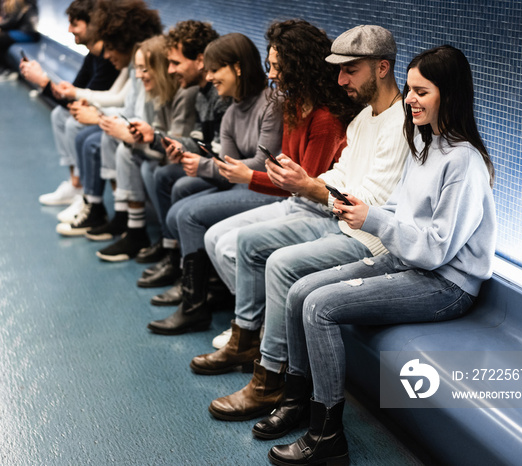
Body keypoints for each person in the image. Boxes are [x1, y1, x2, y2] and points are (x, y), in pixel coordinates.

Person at [268, 44, 497, 466]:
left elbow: (434, 249)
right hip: (406, 261)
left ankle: (327, 436)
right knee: (300, 290)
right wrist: (358, 205)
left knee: (319, 307)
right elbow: (400, 210)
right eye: (409, 89)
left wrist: (373, 220)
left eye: (421, 91)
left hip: (445, 283)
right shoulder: (426, 144)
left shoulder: (464, 161)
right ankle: (297, 398)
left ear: (450, 94)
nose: (409, 99)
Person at [198, 25, 410, 427]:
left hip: (370, 239)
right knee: (246, 243)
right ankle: (253, 350)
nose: (341, 79)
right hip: (339, 221)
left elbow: (372, 201)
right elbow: (344, 173)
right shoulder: (364, 118)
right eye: (338, 70)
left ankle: (270, 378)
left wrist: (311, 186)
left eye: (351, 70)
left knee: (280, 264)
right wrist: (307, 182)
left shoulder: (401, 123)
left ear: (382, 68)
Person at [146, 21, 363, 335]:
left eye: (278, 67)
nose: (272, 74)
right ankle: (247, 319)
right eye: (269, 66)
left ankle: (248, 324)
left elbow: (305, 185)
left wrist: (249, 176)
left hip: (314, 207)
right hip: (293, 199)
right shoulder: (286, 106)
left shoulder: (323, 117)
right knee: (206, 227)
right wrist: (245, 173)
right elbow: (278, 173)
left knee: (206, 224)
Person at [143, 32, 285, 333]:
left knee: (189, 215)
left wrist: (205, 165)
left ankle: (195, 305)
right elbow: (228, 168)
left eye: (214, 70)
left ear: (236, 67)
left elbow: (263, 164)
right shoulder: (232, 112)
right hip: (243, 185)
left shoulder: (272, 103)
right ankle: (206, 291)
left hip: (269, 189)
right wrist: (201, 164)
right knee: (180, 195)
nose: (208, 77)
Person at [127, 20, 227, 275]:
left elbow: (221, 153)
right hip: (215, 166)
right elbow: (199, 141)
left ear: (200, 60)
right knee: (163, 174)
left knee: (171, 179)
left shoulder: (217, 94)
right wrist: (155, 138)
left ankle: (185, 267)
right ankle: (174, 255)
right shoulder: (203, 93)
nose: (170, 70)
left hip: (229, 174)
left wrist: (161, 141)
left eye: (176, 63)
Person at [54, 0, 162, 236]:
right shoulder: (133, 65)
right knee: (91, 136)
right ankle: (103, 208)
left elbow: (140, 116)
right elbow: (123, 102)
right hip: (133, 128)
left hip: (151, 139)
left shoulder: (145, 68)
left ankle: (120, 218)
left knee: (97, 141)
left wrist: (98, 115)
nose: (107, 54)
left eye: (111, 46)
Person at [87, 35, 198, 260]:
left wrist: (130, 136)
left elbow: (175, 149)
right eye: (137, 69)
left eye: (144, 69)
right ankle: (132, 225)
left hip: (188, 162)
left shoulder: (184, 94)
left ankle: (167, 242)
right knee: (123, 149)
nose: (138, 75)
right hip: (169, 154)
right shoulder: (158, 93)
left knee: (149, 167)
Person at [19, 0, 121, 207]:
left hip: (113, 115)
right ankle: (75, 184)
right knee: (59, 114)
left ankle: (87, 193)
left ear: (93, 25)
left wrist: (44, 83)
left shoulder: (108, 60)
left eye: (75, 24)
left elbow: (83, 102)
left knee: (75, 124)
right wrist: (46, 82)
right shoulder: (93, 56)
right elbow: (75, 96)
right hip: (100, 109)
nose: (69, 29)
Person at [0, 0, 40, 80]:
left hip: (27, 33)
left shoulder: (21, 3)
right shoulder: (23, 3)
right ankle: (1, 66)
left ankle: (8, 68)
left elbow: (13, 21)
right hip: (22, 31)